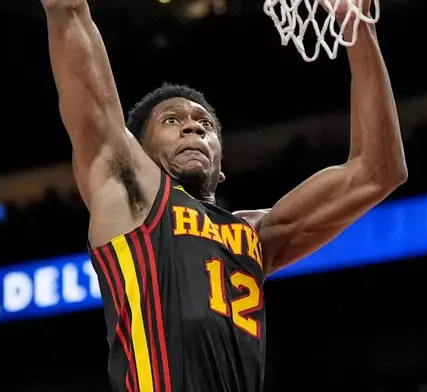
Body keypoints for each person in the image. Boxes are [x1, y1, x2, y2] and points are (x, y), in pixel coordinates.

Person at [39, 0, 407, 390]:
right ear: (138, 153)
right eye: (172, 120)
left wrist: (357, 23)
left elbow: (378, 169)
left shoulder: (254, 236)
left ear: (221, 166)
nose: (193, 128)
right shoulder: (126, 191)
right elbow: (68, 12)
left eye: (205, 124)